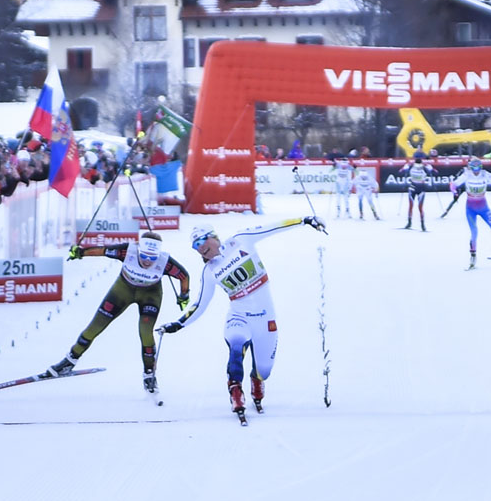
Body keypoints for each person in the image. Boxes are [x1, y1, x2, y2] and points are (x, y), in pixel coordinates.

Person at [159, 216, 327, 417]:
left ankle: (257, 381)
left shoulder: (240, 240)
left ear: (213, 237)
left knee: (264, 370)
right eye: (194, 246)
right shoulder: (209, 271)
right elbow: (199, 304)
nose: (198, 248)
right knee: (236, 347)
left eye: (200, 241)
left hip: (265, 319)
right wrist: (178, 324)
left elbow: (273, 226)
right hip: (239, 316)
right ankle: (235, 390)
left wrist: (304, 220)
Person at [42, 233, 191, 403]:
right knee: (95, 326)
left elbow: (184, 276)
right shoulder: (128, 251)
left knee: (146, 332)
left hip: (150, 295)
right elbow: (103, 251)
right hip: (123, 290)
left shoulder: (165, 261)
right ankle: (69, 360)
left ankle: (149, 375)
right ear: (139, 250)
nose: (148, 261)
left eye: (152, 257)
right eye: (143, 256)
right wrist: (81, 253)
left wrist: (184, 296)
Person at [449, 157, 491, 268]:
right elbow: (453, 184)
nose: (476, 170)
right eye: (473, 167)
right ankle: (473, 256)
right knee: (474, 233)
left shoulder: (485, 174)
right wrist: (454, 193)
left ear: (481, 167)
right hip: (470, 209)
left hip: (484, 208)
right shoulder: (466, 175)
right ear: (470, 167)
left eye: (478, 167)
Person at [399, 150, 436, 230]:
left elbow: (434, 171)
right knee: (412, 206)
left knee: (419, 207)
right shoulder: (412, 165)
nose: (418, 159)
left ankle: (422, 224)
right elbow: (401, 171)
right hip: (413, 188)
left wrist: (431, 170)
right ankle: (410, 223)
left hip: (420, 188)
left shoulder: (424, 166)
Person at [332, 151, 355, 217]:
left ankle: (347, 210)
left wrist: (355, 168)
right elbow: (331, 170)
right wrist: (333, 166)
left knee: (346, 197)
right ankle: (338, 211)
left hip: (345, 182)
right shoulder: (339, 164)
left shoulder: (348, 165)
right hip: (339, 182)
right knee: (338, 196)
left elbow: (354, 170)